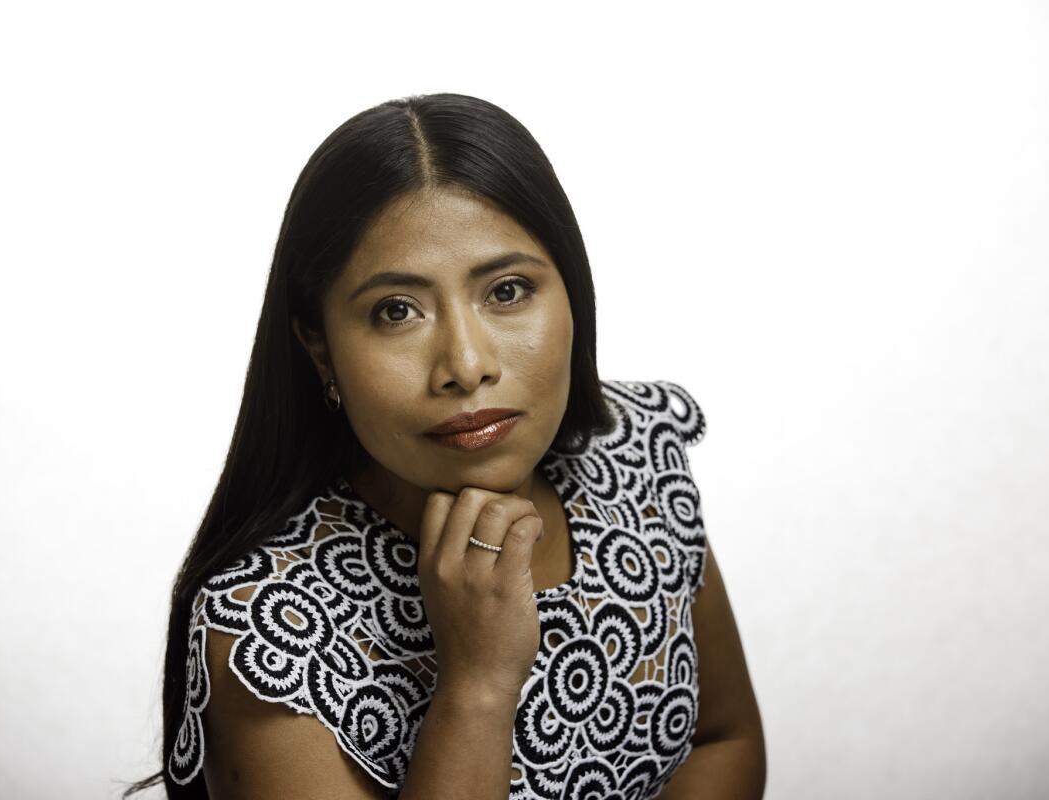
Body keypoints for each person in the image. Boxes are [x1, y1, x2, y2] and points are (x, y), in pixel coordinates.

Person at [121, 92, 764, 800]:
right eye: (396, 311)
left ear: (573, 292)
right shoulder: (269, 632)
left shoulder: (635, 448)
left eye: (508, 290)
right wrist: (477, 688)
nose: (466, 362)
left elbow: (723, 740)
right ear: (319, 345)